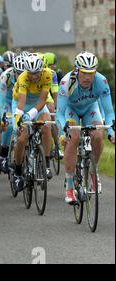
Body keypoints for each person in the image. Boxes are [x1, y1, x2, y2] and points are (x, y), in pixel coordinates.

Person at [57, 51, 115, 205]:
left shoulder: (101, 81)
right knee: (74, 137)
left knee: (97, 135)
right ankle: (70, 187)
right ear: (77, 71)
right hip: (71, 111)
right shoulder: (66, 82)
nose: (88, 77)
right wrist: (64, 132)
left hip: (90, 109)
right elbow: (60, 114)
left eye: (91, 73)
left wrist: (111, 132)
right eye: (84, 73)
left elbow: (109, 112)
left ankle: (93, 172)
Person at [11, 54, 54, 192]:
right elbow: (21, 104)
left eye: (36, 73)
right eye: (31, 73)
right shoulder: (23, 77)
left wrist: (32, 114)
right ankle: (17, 172)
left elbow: (42, 100)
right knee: (22, 138)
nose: (34, 76)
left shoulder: (48, 74)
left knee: (46, 124)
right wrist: (19, 119)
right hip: (20, 104)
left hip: (38, 104)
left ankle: (46, 164)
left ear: (41, 70)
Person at [0, 56, 26, 173]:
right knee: (9, 124)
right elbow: (1, 98)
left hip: (23, 101)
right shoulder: (5, 76)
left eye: (23, 73)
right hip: (8, 101)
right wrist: (2, 116)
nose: (20, 76)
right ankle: (3, 154)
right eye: (18, 73)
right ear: (13, 71)